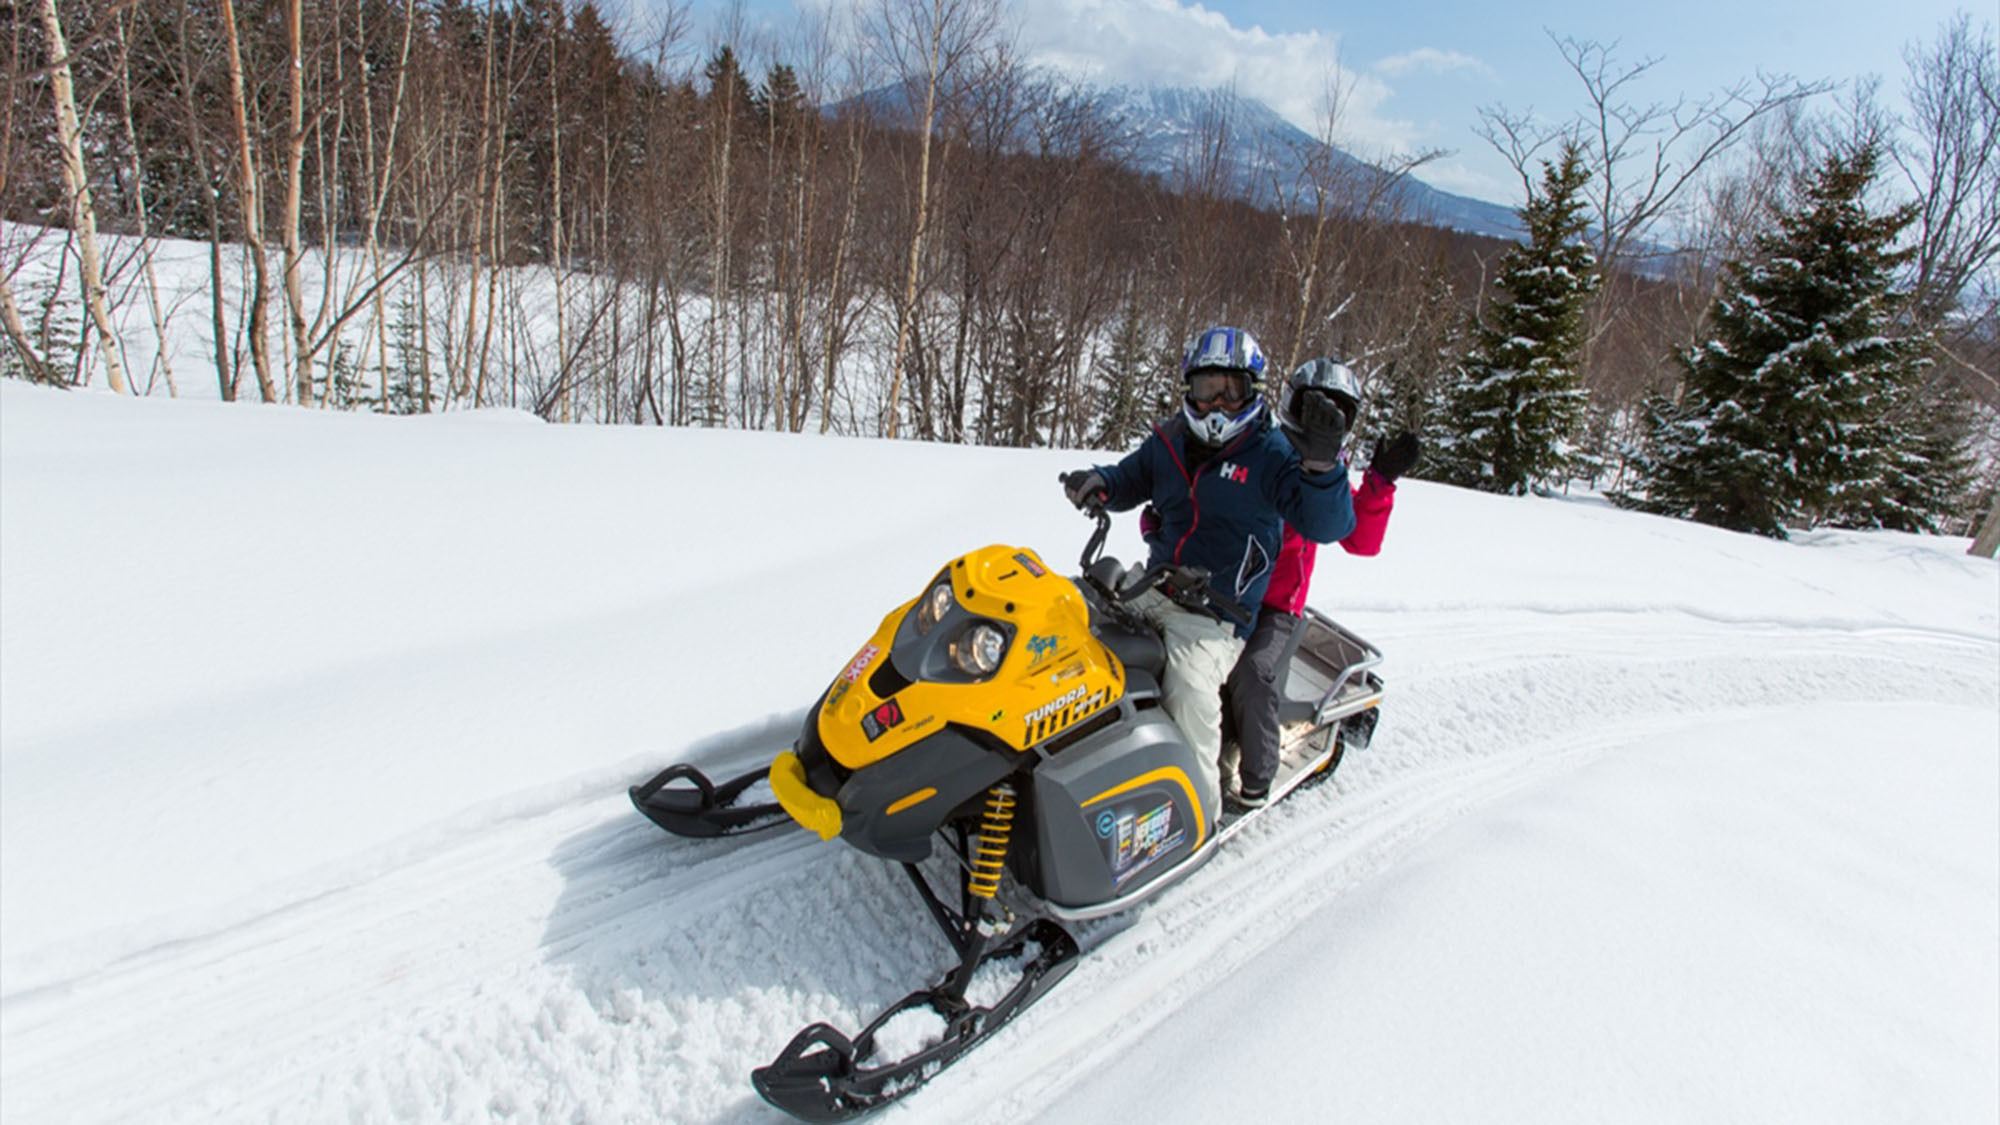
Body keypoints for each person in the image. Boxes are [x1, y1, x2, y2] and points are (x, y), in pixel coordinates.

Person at [1060, 326, 1356, 823]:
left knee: (1189, 689)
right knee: (1073, 621)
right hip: (1153, 586)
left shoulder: (1272, 455)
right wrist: (1099, 483)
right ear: (1187, 390)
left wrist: (1323, 466)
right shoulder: (1170, 440)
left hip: (1217, 616)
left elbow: (1328, 523)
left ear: (1251, 391)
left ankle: (1200, 813)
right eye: (1206, 390)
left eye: (1230, 391)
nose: (1216, 405)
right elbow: (1130, 478)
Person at [1219, 359, 1421, 809]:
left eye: (1338, 413)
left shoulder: (1323, 475)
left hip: (1273, 609)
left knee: (1254, 675)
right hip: (1219, 588)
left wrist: (1380, 482)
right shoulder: (1258, 448)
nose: (1323, 420)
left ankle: (1254, 781)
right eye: (1313, 407)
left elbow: (1359, 538)